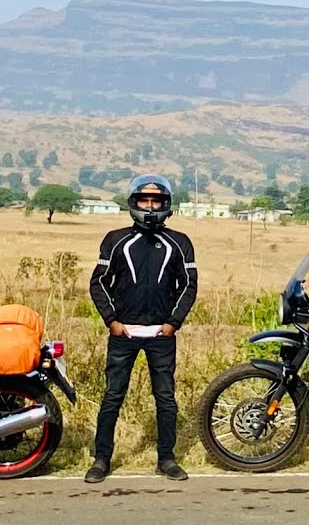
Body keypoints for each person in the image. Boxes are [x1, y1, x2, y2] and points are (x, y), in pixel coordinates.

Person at [84, 174, 198, 483]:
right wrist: (112, 321)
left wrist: (173, 323)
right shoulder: (115, 239)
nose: (150, 206)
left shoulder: (180, 242)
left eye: (156, 201)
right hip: (124, 335)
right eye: (144, 200)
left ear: (166, 204)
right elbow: (98, 283)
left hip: (161, 337)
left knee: (165, 398)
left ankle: (167, 458)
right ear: (134, 203)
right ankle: (101, 459)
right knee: (112, 397)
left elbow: (189, 286)